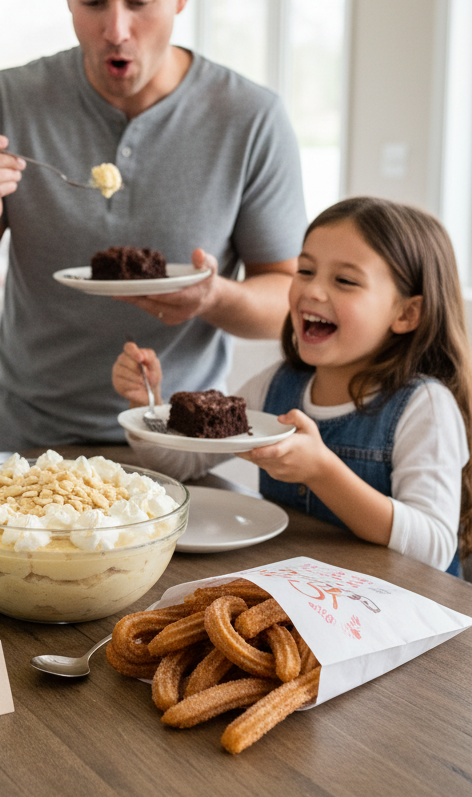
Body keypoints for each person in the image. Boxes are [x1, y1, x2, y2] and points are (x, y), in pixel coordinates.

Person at [0, 0, 307, 454]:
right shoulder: (10, 101)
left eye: (139, 1)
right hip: (27, 445)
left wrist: (213, 298)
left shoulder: (251, 118)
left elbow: (288, 300)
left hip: (180, 450)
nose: (115, 30)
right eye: (93, 1)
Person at [114, 197, 472, 576]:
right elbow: (184, 464)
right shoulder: (276, 385)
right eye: (305, 270)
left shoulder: (425, 407)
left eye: (345, 280)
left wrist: (322, 471)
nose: (312, 291)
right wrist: (149, 407)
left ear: (406, 313)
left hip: (402, 612)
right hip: (302, 594)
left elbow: (432, 548)